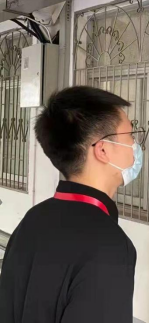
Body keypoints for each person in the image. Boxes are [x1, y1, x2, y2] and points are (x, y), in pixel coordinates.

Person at [0, 86, 140, 323]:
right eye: (131, 135)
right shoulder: (109, 246)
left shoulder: (33, 218)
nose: (136, 145)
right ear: (103, 150)